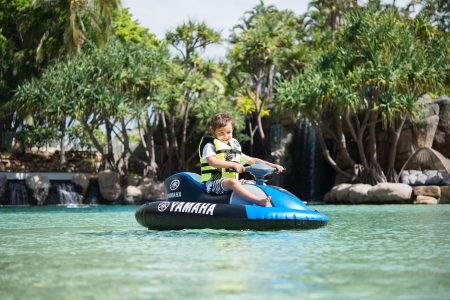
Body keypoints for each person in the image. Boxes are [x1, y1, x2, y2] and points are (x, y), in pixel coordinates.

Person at [199, 112, 284, 206]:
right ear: (214, 132)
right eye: (221, 133)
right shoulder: (210, 146)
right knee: (233, 182)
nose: (226, 136)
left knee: (254, 182)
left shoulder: (232, 147)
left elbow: (252, 160)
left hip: (230, 182)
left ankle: (271, 203)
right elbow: (213, 162)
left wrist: (273, 165)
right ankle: (258, 201)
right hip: (213, 184)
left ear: (232, 130)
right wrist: (234, 165)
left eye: (228, 132)